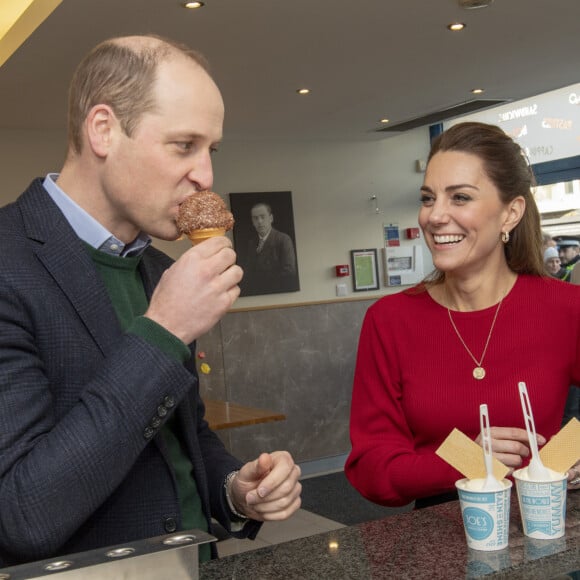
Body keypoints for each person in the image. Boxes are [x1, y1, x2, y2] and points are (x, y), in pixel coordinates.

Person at [0, 35, 302, 568]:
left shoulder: (160, 269)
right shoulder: (8, 261)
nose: (206, 176)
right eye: (184, 145)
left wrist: (234, 488)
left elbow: (179, 440)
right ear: (103, 130)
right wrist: (162, 330)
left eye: (211, 150)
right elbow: (23, 513)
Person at [345, 121, 580, 509]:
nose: (434, 216)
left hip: (541, 530)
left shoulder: (564, 308)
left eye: (459, 198)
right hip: (435, 544)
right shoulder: (389, 320)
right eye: (427, 198)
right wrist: (467, 459)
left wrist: (563, 457)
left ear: (511, 213)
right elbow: (371, 470)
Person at [239, 202, 299, 295]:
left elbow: (289, 271)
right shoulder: (252, 243)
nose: (259, 221)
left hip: (278, 293)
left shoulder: (283, 239)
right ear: (252, 222)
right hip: (256, 294)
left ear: (271, 218)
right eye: (255, 218)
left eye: (263, 217)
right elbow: (248, 271)